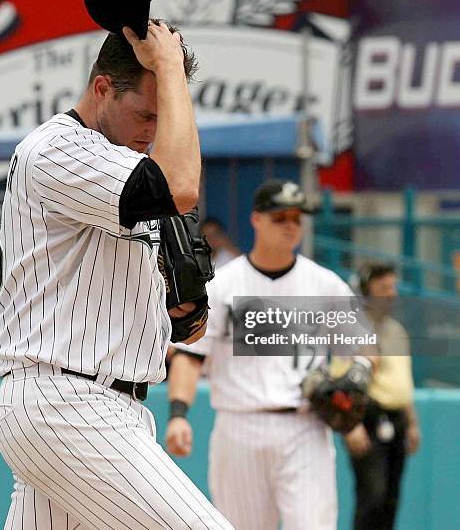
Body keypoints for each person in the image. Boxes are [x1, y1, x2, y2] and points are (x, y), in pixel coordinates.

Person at [0, 17, 233, 529]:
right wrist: (167, 63)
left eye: (162, 118)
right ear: (102, 88)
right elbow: (179, 187)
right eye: (146, 114)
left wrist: (176, 314)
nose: (153, 131)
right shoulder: (59, 148)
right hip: (69, 404)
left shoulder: (117, 165)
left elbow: (159, 304)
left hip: (91, 404)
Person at [165, 179, 375, 530]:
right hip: (240, 426)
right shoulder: (224, 285)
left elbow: (365, 346)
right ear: (257, 220)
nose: (291, 225)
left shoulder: (324, 285)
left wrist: (360, 371)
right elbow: (191, 355)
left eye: (297, 217)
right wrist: (178, 414)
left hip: (306, 425)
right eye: (281, 217)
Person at [339, 263, 420, 530]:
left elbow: (403, 382)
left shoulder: (397, 331)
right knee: (371, 497)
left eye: (393, 287)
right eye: (384, 288)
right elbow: (341, 384)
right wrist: (351, 425)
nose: (392, 293)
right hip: (367, 420)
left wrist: (412, 422)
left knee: (390, 499)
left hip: (396, 421)